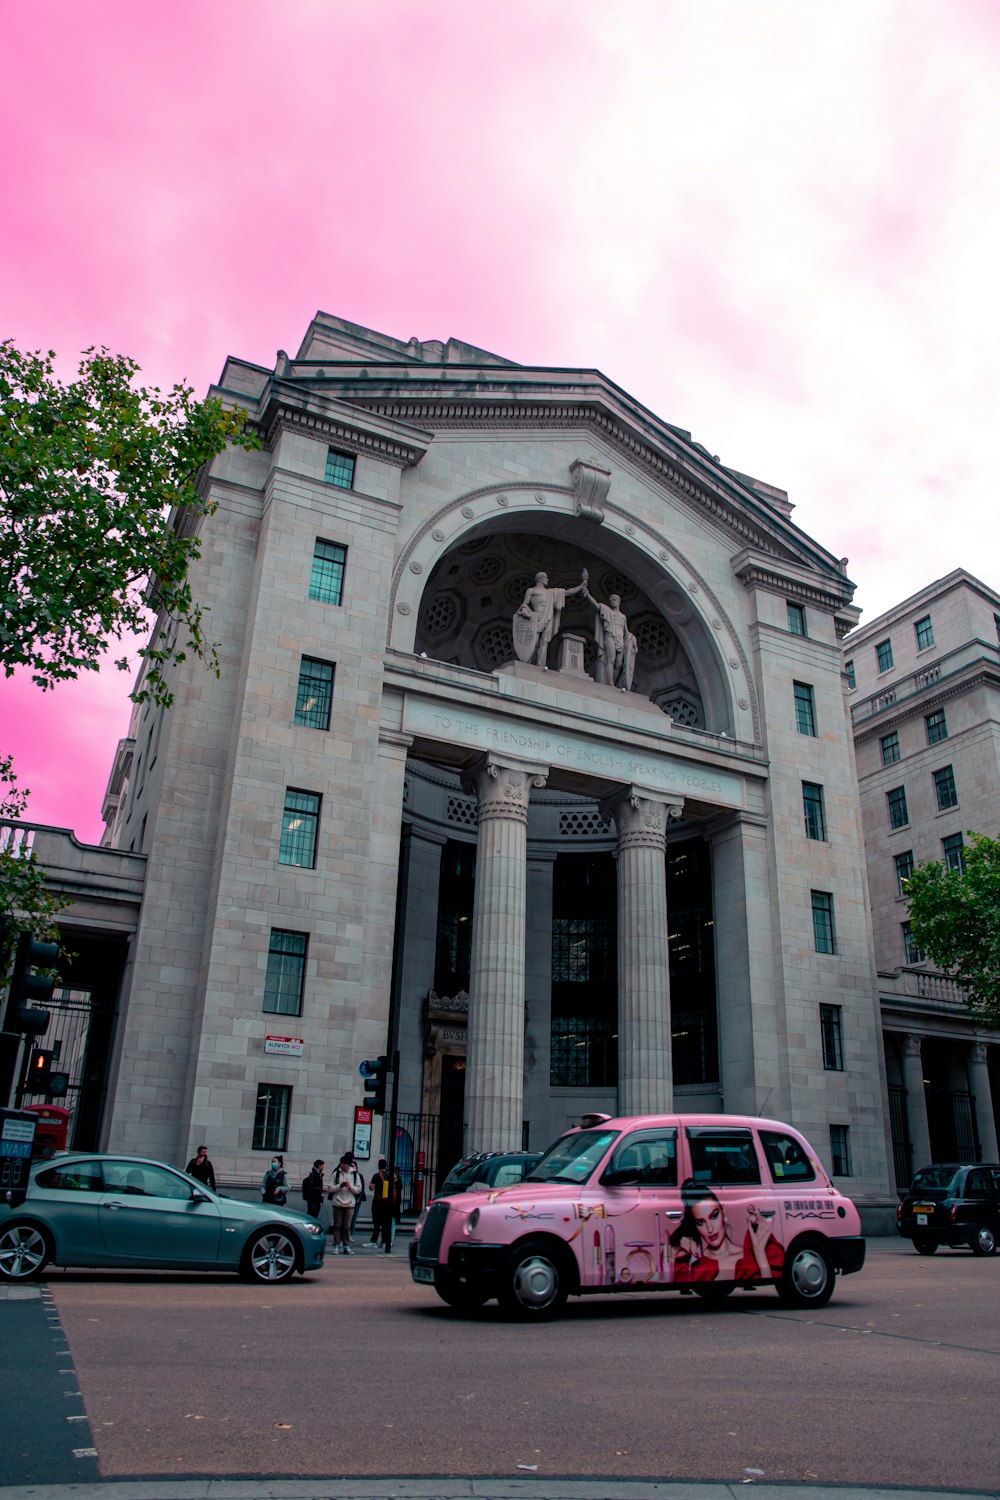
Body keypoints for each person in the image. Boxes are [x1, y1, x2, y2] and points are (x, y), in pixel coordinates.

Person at [670, 1180, 783, 1282]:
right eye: (701, 1222)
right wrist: (683, 1256)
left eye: (714, 1216)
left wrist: (759, 1252)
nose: (710, 1229)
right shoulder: (697, 1264)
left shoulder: (750, 1253)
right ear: (695, 1225)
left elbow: (768, 1288)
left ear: (723, 1211)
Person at [514, 570, 588, 667]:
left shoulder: (551, 592)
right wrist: (524, 610)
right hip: (535, 618)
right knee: (533, 642)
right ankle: (528, 664)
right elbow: (524, 604)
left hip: (547, 618)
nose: (548, 580)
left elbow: (568, 592)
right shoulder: (531, 591)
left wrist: (581, 586)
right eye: (545, 577)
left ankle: (540, 665)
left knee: (544, 641)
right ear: (540, 579)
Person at [581, 584, 638, 691]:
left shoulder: (623, 616)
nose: (612, 601)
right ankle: (610, 683)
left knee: (619, 663)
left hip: (620, 640)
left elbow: (626, 632)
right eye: (611, 600)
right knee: (611, 659)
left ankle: (613, 681)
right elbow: (596, 606)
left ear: (619, 602)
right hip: (610, 637)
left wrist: (632, 641)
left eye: (615, 599)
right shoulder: (607, 611)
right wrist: (587, 594)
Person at [328, 1151, 362, 1253]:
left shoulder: (355, 1175)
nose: (341, 1165)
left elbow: (359, 1189)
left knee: (347, 1226)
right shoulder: (336, 1173)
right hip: (338, 1202)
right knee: (337, 1225)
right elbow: (330, 1188)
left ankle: (346, 1245)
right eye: (341, 1163)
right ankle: (337, 1244)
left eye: (343, 1163)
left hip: (350, 1204)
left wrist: (350, 1187)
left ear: (347, 1164)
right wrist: (340, 1186)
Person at [369, 1157, 390, 1247]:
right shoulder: (389, 1176)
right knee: (385, 1223)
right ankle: (384, 1241)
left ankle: (374, 1241)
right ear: (386, 1166)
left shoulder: (376, 1176)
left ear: (378, 1166)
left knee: (376, 1223)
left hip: (377, 1202)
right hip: (387, 1203)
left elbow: (371, 1187)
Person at [350, 1155, 367, 1236]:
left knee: (354, 1217)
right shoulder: (349, 1175)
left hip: (357, 1199)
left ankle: (351, 1233)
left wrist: (359, 1199)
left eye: (354, 1166)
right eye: (351, 1166)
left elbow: (362, 1187)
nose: (352, 1167)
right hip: (350, 1198)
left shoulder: (359, 1176)